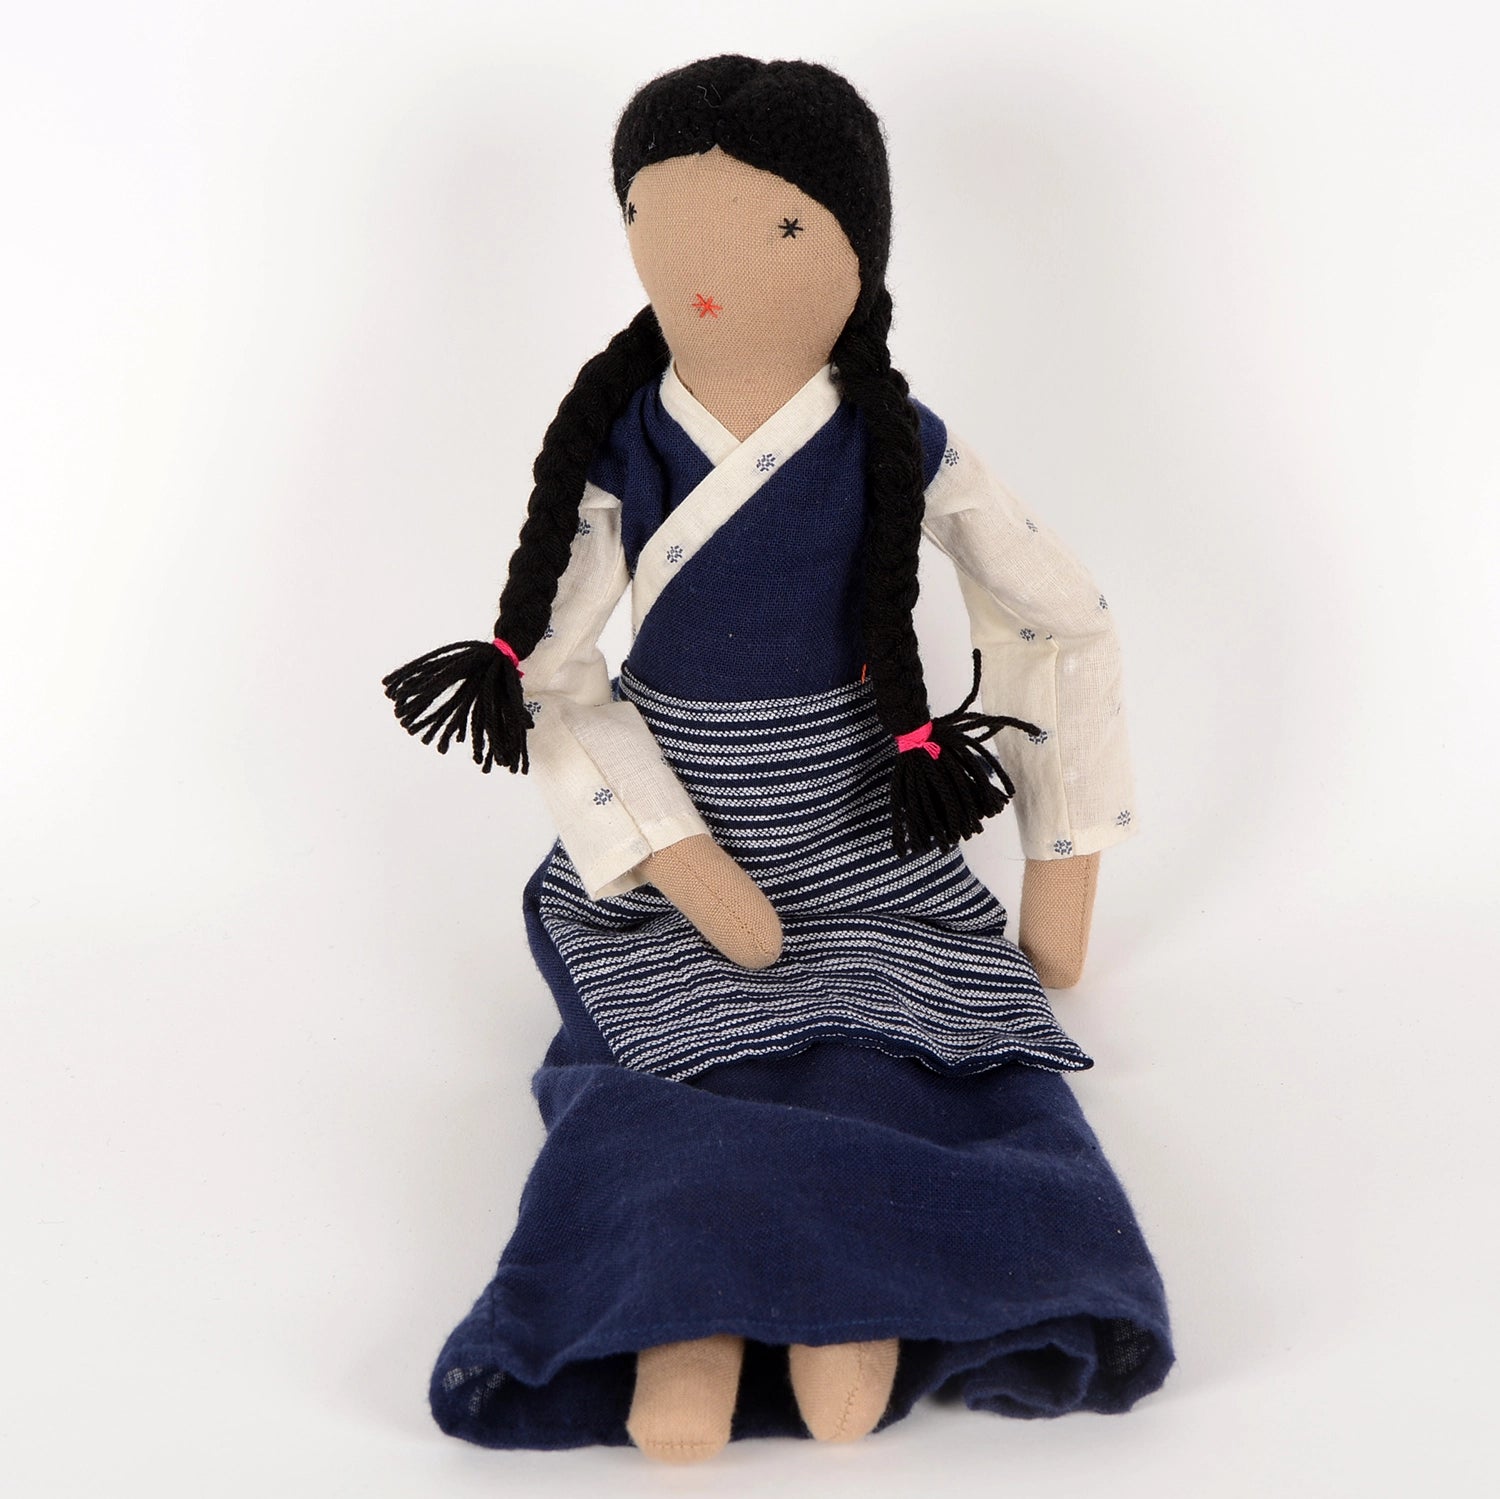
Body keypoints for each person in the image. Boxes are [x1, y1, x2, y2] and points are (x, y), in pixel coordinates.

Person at [385, 54, 1173, 1462]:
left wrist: (1064, 860)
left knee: (916, 1046)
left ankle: (867, 1284)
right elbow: (554, 670)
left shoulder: (895, 444)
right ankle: (676, 1300)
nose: (704, 274)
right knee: (667, 1073)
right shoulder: (623, 445)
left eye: (780, 229)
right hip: (681, 832)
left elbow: (1057, 616)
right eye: (657, 220)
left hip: (866, 834)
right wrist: (675, 852)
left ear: (857, 253)